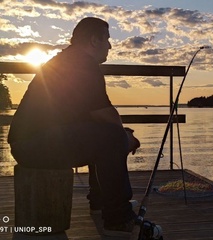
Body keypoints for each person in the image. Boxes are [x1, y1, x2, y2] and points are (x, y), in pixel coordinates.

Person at [8, 17, 140, 236]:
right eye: (107, 39)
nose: (110, 45)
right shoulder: (84, 65)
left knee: (102, 135)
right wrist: (125, 137)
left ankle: (101, 203)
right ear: (94, 40)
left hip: (28, 144)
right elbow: (107, 115)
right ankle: (118, 216)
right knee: (112, 137)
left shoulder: (65, 60)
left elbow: (94, 118)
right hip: (34, 146)